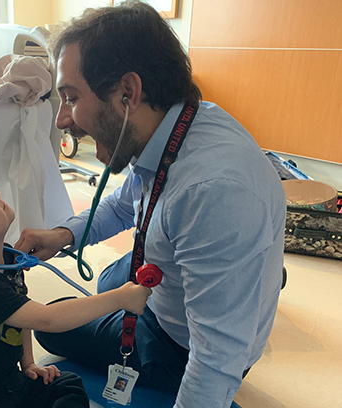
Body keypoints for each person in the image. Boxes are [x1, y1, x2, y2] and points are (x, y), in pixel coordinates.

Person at [14, 2, 287, 407]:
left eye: (70, 98)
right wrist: (62, 234)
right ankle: (233, 272)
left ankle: (217, 284)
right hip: (174, 273)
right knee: (111, 282)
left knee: (52, 323)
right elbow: (125, 206)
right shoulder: (186, 123)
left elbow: (217, 358)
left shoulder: (212, 191)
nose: (62, 120)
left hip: (178, 344)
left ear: (128, 92)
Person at [0, 171, 151, 408]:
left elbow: (21, 311)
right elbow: (47, 318)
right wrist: (119, 298)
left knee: (67, 386)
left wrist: (28, 363)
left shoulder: (6, 259)